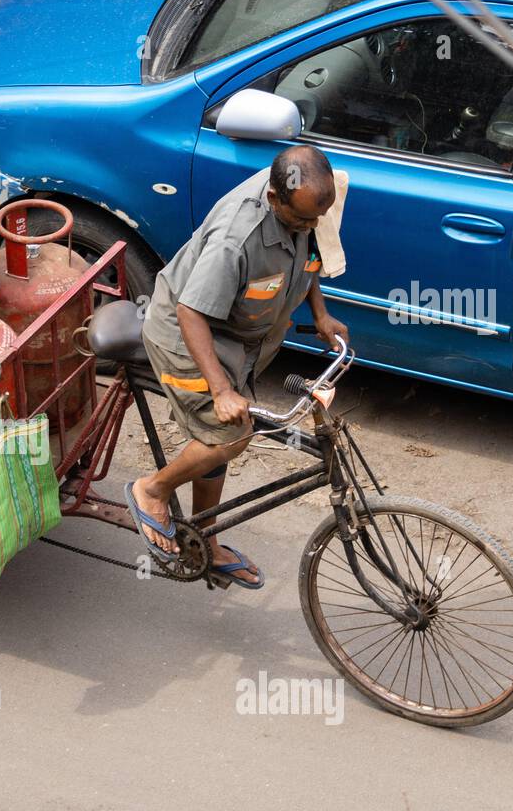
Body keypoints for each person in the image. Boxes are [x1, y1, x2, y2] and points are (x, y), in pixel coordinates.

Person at [125, 146, 350, 588]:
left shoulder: (314, 198)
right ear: (272, 198)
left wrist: (320, 314)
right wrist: (221, 389)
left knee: (227, 433)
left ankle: (204, 540)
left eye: (314, 220)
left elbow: (310, 253)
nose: (309, 227)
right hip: (185, 332)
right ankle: (152, 489)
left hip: (240, 338)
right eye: (299, 221)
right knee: (229, 432)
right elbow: (191, 312)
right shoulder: (237, 237)